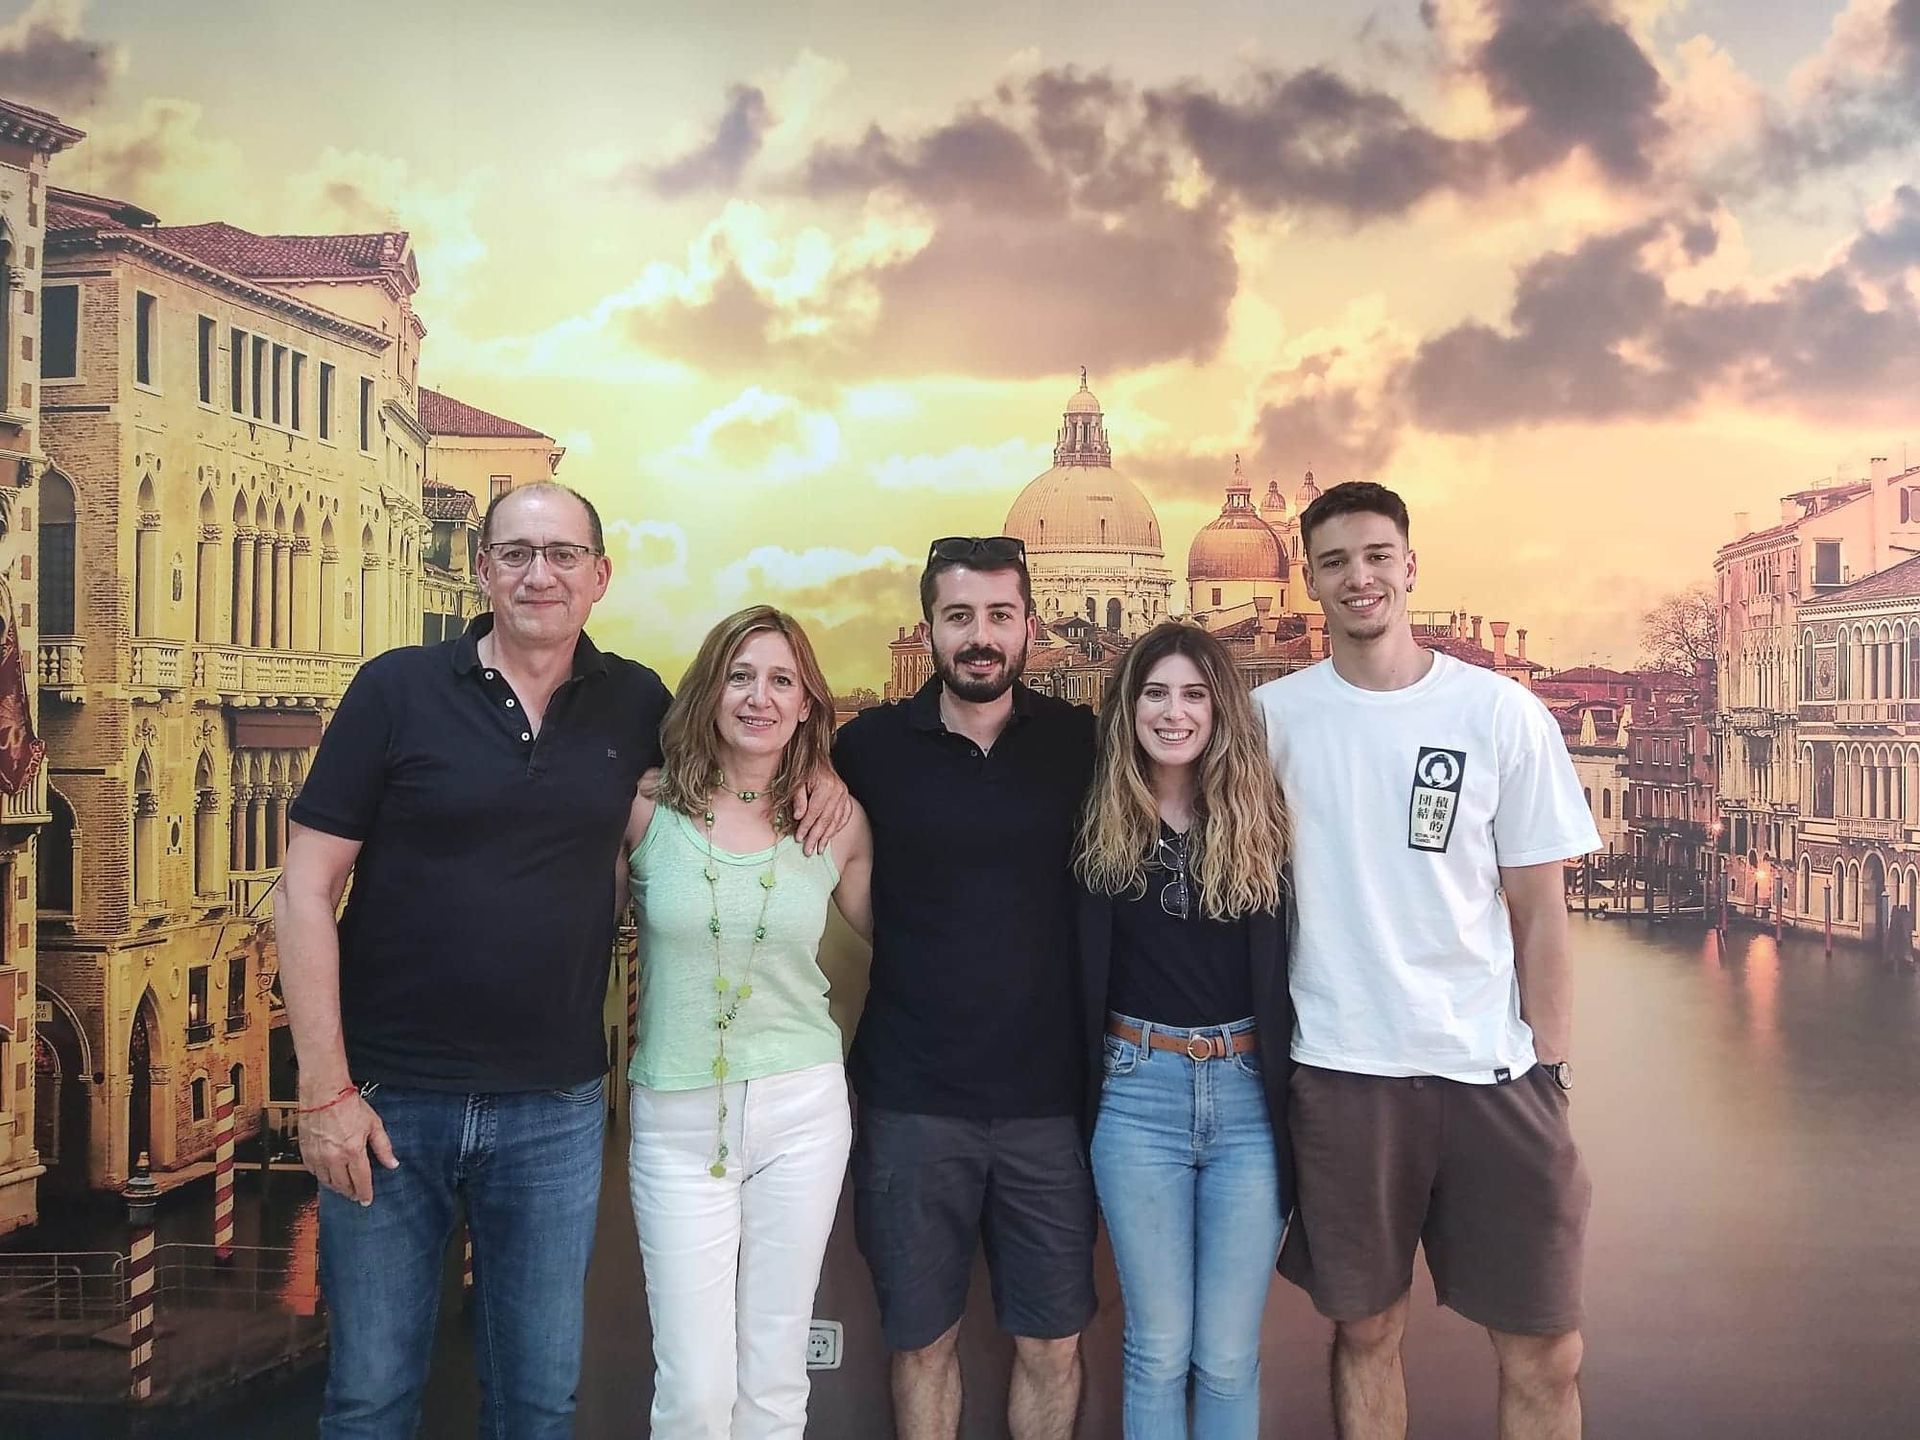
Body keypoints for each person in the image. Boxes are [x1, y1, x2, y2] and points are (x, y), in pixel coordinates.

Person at [275, 482, 844, 1438]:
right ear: (483, 568)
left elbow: (745, 757)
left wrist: (818, 761)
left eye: (563, 554)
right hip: (387, 1101)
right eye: (517, 552)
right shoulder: (395, 689)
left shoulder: (636, 703)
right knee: (371, 1397)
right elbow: (303, 890)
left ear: (599, 575)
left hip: (554, 1109)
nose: (540, 573)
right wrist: (324, 1091)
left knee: (538, 1402)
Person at [1253, 482, 1599, 1440]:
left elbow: (1540, 910)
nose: (1358, 578)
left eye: (1376, 556)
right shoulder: (1271, 720)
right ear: (1312, 582)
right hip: (1343, 1072)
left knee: (1548, 1346)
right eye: (1334, 562)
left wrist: (1552, 1068)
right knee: (1365, 1331)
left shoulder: (1501, 712)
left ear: (1410, 565)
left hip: (1492, 1074)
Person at [833, 536, 1098, 1440]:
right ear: (929, 629)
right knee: (921, 1343)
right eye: (959, 618)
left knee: (1054, 1346)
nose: (979, 638)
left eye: (998, 616)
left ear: (1028, 626)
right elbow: (756, 796)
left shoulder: (1082, 744)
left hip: (1050, 1106)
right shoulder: (865, 747)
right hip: (912, 1099)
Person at [622, 606, 873, 1438]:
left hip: (802, 1111)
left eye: (780, 680)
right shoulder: (645, 812)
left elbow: (920, 940)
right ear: (710, 691)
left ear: (807, 704)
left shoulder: (833, 823)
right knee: (692, 1390)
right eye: (740, 676)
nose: (758, 697)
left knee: (773, 1377)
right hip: (677, 1120)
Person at [1074, 621, 1293, 1439]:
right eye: (1155, 693)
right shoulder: (1091, 812)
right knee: (1159, 1348)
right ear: (1128, 707)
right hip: (1135, 1095)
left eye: (1194, 694)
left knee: (1228, 1356)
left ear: (1220, 708)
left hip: (1246, 1101)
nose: (1174, 713)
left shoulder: (1264, 816)